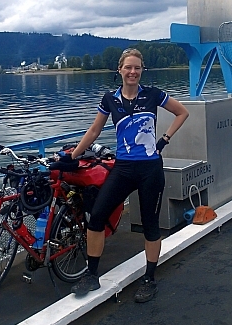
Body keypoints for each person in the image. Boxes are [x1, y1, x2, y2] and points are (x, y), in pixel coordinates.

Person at [65, 48, 189, 303]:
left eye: (137, 68)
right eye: (128, 67)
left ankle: (149, 279)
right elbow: (94, 131)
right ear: (119, 70)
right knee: (97, 217)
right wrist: (72, 156)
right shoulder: (110, 99)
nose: (133, 72)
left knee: (150, 225)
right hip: (123, 168)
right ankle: (91, 275)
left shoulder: (153, 95)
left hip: (149, 170)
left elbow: (182, 112)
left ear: (142, 70)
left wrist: (164, 139)